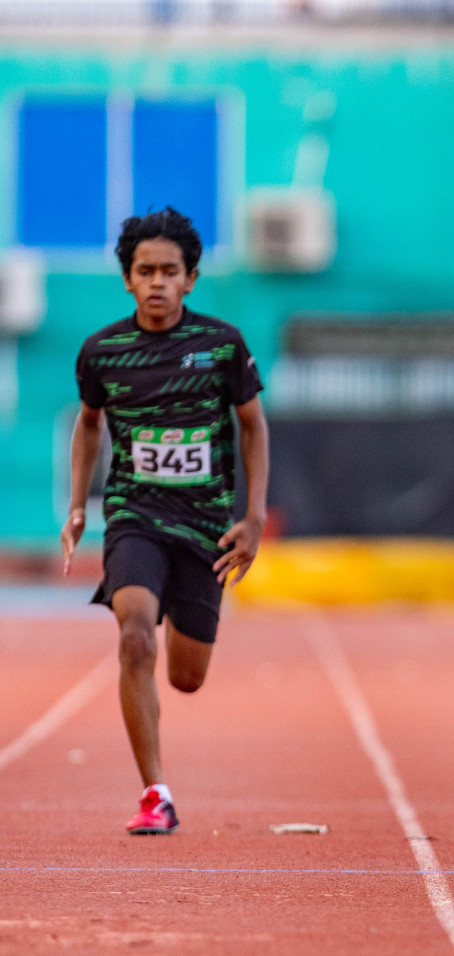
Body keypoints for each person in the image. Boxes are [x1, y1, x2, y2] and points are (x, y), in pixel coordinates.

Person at [61, 208, 269, 835]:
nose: (156, 282)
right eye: (144, 271)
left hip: (204, 522)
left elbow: (253, 426)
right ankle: (155, 793)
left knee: (186, 678)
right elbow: (89, 423)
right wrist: (78, 503)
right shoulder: (103, 352)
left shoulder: (222, 345)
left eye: (169, 271)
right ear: (127, 279)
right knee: (132, 635)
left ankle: (183, 605)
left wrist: (253, 516)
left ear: (191, 279)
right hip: (134, 515)